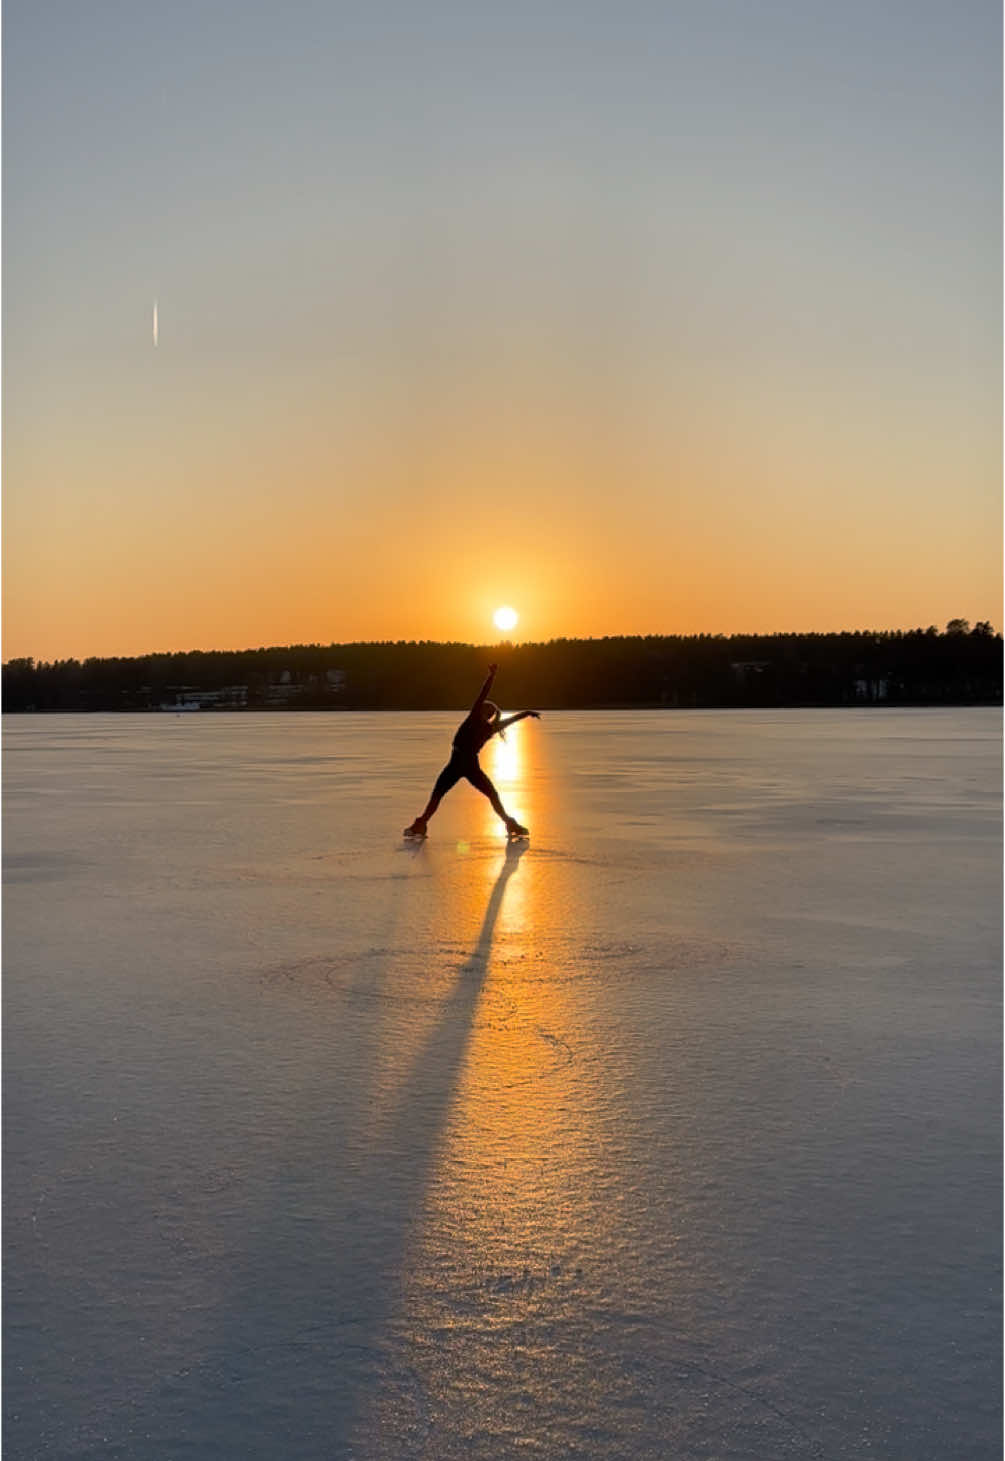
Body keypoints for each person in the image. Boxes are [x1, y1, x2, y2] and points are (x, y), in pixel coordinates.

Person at [404, 664, 540, 837]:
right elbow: (502, 712)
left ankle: (510, 824)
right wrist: (527, 712)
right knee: (438, 795)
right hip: (459, 764)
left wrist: (492, 676)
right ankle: (420, 825)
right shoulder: (482, 723)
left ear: (485, 712)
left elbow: (491, 701)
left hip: (465, 764)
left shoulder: (481, 723)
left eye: (484, 709)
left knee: (490, 794)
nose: (481, 709)